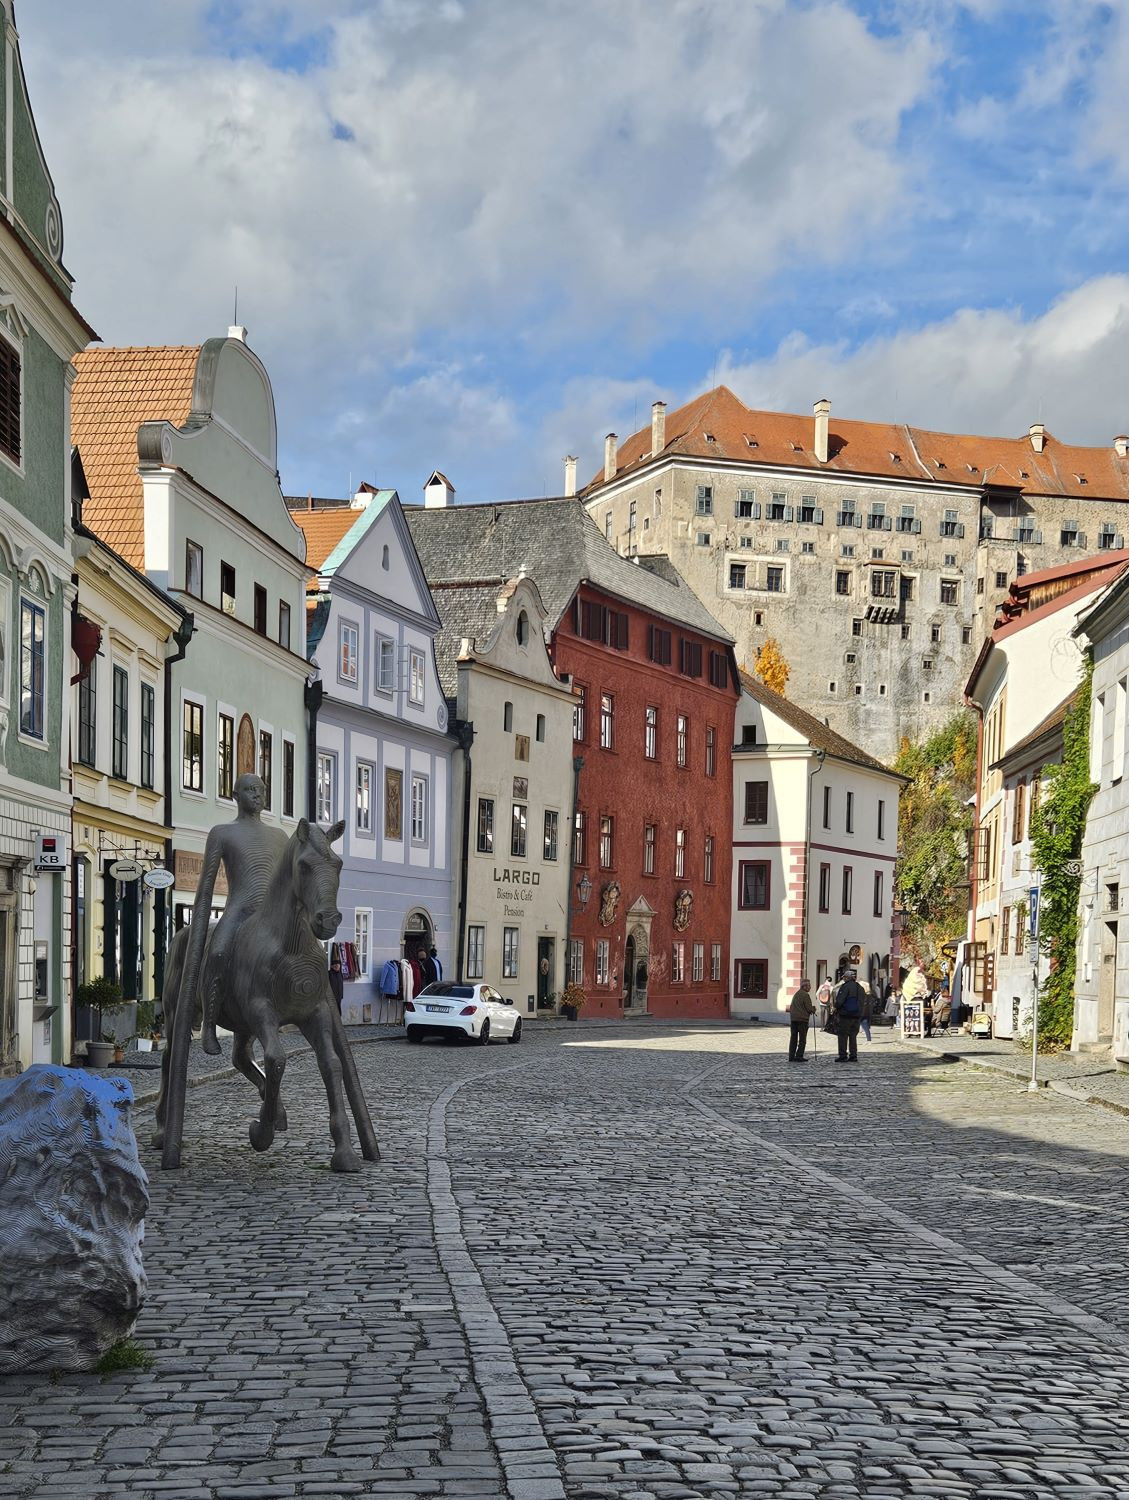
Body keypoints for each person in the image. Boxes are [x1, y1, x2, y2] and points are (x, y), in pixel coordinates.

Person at [181, 772, 291, 1056]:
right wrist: (198, 929)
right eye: (250, 789)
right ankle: (208, 1023)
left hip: (271, 919)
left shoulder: (280, 836)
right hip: (239, 911)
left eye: (262, 790)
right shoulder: (223, 832)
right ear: (235, 795)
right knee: (216, 954)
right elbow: (205, 889)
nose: (258, 794)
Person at [834, 967, 866, 1062]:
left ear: (847, 978)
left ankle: (843, 1055)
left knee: (843, 1036)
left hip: (845, 1015)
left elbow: (840, 1001)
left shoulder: (845, 987)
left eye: (844, 977)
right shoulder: (860, 987)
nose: (843, 979)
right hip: (856, 1015)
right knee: (853, 1036)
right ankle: (853, 1055)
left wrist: (836, 1007)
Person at [787, 978, 815, 1061]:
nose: (810, 987)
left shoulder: (797, 994)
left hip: (794, 1019)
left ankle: (791, 1056)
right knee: (802, 1039)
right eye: (809, 986)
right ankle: (799, 1055)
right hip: (802, 1019)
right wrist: (813, 1009)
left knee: (793, 1038)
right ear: (805, 986)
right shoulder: (805, 995)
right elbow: (809, 1008)